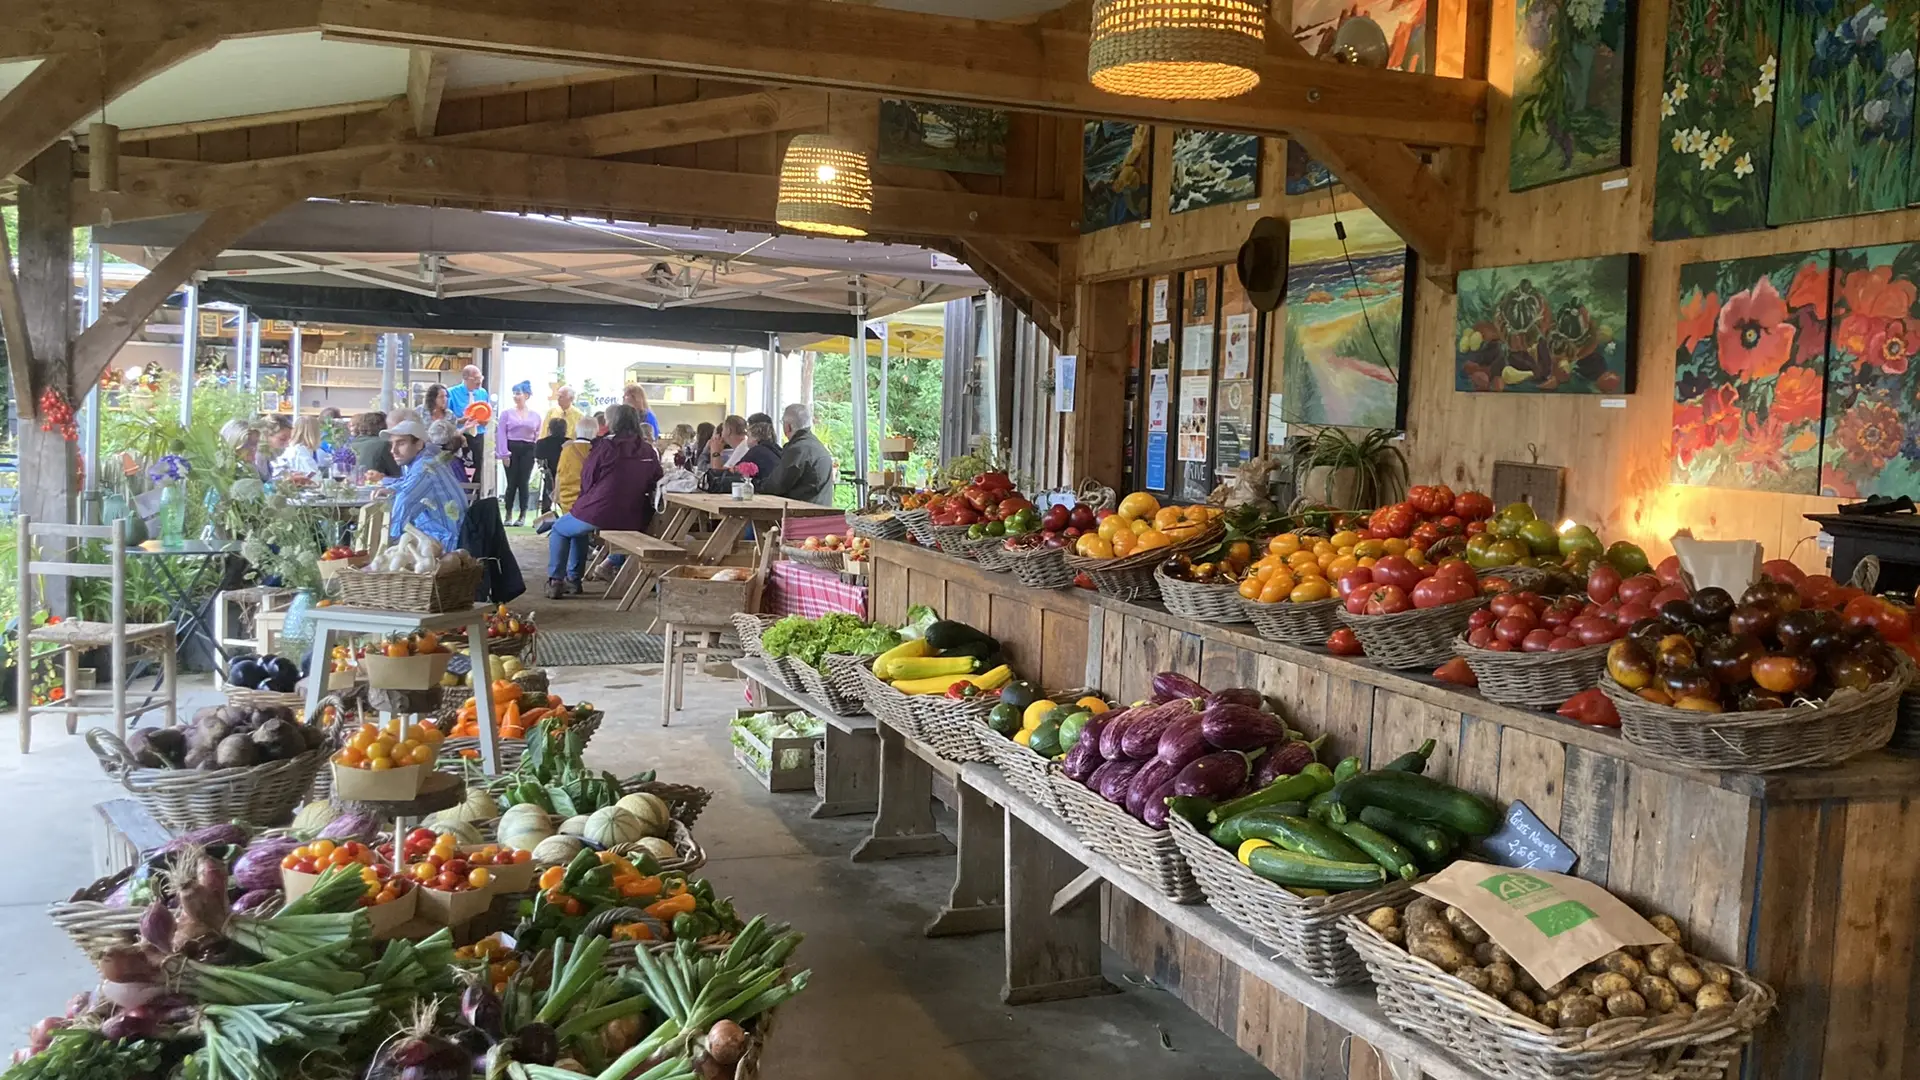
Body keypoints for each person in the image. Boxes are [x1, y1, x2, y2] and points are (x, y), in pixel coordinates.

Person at [545, 404, 662, 598]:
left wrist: (585, 502)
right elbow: (656, 479)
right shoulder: (648, 451)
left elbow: (588, 477)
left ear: (613, 423)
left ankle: (558, 580)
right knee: (576, 529)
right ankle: (574, 579)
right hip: (634, 516)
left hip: (599, 509)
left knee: (560, 529)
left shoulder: (605, 446)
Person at [377, 419, 468, 551]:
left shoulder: (425, 469)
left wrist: (386, 543)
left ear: (419, 444)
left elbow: (403, 503)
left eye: (401, 443)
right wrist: (391, 488)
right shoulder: (428, 460)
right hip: (441, 538)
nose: (393, 450)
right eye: (392, 444)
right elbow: (407, 484)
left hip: (444, 545)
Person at [756, 403, 836, 505]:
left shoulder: (798, 450)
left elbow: (776, 486)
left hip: (801, 514)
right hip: (819, 511)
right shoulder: (817, 445)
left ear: (788, 427)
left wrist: (754, 484)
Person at [495, 380, 542, 526]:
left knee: (523, 483)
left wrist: (537, 453)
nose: (516, 396)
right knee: (511, 483)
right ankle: (508, 514)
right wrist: (504, 453)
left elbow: (538, 435)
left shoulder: (535, 416)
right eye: (514, 393)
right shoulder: (506, 414)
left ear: (526, 395)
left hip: (528, 449)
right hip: (511, 448)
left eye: (519, 393)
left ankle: (522, 515)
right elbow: (501, 434)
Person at [548, 413, 600, 519]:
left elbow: (560, 473)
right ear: (595, 431)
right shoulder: (598, 450)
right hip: (589, 501)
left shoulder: (567, 450)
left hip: (567, 500)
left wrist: (556, 494)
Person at [448, 364, 490, 470]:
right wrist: (462, 420)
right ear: (465, 378)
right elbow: (446, 420)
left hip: (478, 435)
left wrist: (485, 420)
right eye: (476, 378)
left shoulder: (483, 392)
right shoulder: (451, 393)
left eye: (481, 377)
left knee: (478, 467)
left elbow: (488, 414)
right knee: (458, 467)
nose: (479, 381)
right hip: (460, 436)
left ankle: (476, 486)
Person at [349, 411, 402, 478]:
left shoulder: (352, 444)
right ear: (383, 425)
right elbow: (398, 474)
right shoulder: (384, 444)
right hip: (378, 485)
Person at [534, 417, 569, 515]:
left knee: (548, 488)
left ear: (550, 429)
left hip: (549, 473)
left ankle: (545, 514)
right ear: (565, 429)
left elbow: (538, 458)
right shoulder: (569, 443)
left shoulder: (541, 443)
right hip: (566, 474)